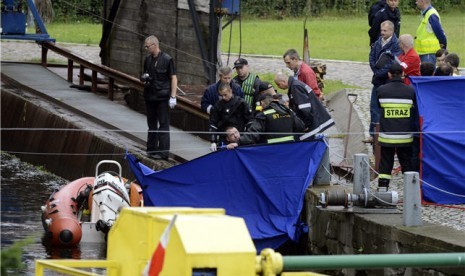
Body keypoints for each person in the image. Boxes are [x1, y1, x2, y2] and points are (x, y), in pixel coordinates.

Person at [376, 63, 417, 191]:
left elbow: (379, 107)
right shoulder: (410, 90)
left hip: (387, 137)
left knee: (385, 163)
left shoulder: (381, 90)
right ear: (402, 74)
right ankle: (411, 190)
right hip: (405, 137)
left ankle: (383, 188)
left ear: (389, 74)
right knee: (407, 163)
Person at [141, 35, 177, 160]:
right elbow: (145, 74)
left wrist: (173, 96)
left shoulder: (167, 59)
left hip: (162, 97)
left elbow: (173, 78)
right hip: (150, 96)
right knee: (151, 124)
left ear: (155, 45)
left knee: (163, 124)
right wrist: (145, 79)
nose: (146, 48)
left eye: (147, 46)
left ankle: (163, 152)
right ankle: (151, 149)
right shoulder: (148, 59)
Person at [274, 72, 334, 140]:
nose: (278, 87)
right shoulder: (295, 84)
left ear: (283, 81)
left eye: (278, 84)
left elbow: (305, 108)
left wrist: (305, 126)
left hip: (311, 123)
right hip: (314, 119)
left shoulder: (295, 87)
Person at [369, 20, 401, 138]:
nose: (382, 32)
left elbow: (393, 62)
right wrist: (375, 71)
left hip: (388, 81)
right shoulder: (378, 42)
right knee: (374, 107)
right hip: (377, 80)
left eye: (385, 30)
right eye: (381, 30)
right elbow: (371, 57)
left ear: (392, 31)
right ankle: (373, 133)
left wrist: (381, 72)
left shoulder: (396, 44)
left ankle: (386, 132)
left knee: (386, 108)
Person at [234, 94, 306, 146]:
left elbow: (253, 134)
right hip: (289, 147)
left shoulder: (264, 114)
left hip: (271, 149)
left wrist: (238, 142)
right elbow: (301, 126)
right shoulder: (288, 111)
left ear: (262, 103)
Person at [209, 83, 252, 152]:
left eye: (225, 95)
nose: (223, 97)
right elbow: (213, 123)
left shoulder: (241, 103)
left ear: (230, 91)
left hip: (239, 137)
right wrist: (213, 141)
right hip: (224, 138)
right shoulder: (218, 106)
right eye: (221, 95)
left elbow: (250, 120)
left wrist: (247, 137)